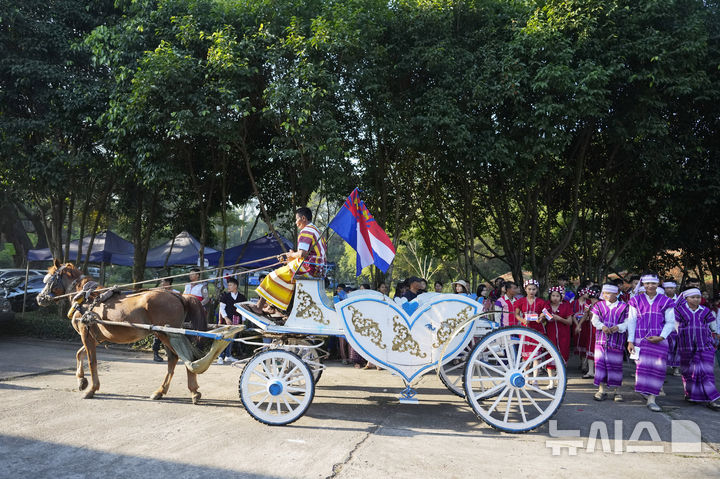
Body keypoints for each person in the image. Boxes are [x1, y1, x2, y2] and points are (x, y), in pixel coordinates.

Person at [251, 207, 327, 316]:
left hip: (309, 268)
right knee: (283, 276)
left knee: (272, 277)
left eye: (297, 219)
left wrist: (291, 255)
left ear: (303, 218)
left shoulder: (306, 231)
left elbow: (302, 254)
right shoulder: (317, 231)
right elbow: (307, 254)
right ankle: (273, 307)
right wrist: (291, 258)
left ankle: (259, 307)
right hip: (318, 268)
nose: (296, 223)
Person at [627, 274, 677, 412]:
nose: (650, 286)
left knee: (658, 369)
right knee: (641, 369)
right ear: (643, 285)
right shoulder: (635, 300)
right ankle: (645, 392)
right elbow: (631, 321)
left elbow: (670, 322)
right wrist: (630, 340)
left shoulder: (666, 301)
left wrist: (661, 337)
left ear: (657, 285)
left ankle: (652, 399)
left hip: (659, 341)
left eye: (653, 284)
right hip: (640, 340)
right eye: (647, 283)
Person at [675, 288, 720, 410]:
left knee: (706, 372)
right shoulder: (679, 311)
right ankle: (691, 395)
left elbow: (713, 327)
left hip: (705, 347)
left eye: (698, 297)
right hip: (686, 347)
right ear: (686, 298)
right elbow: (676, 328)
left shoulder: (705, 311)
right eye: (693, 297)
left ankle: (711, 399)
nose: (696, 299)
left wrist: (714, 337)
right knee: (688, 372)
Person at [590, 284, 629, 402]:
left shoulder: (624, 307)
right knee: (600, 366)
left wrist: (618, 327)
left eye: (609, 293)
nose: (606, 295)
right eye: (605, 292)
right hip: (601, 341)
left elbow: (628, 322)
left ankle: (617, 392)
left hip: (617, 342)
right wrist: (602, 326)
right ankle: (601, 391)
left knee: (616, 366)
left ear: (616, 294)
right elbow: (594, 320)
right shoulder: (599, 305)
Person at [514, 279, 547, 385]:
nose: (531, 291)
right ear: (525, 289)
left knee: (536, 355)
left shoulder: (541, 302)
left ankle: (535, 379)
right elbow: (517, 314)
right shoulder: (520, 301)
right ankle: (527, 377)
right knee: (525, 355)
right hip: (525, 330)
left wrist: (541, 318)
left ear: (537, 289)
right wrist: (523, 320)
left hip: (538, 329)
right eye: (529, 289)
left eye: (533, 289)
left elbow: (545, 313)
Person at [544, 285, 573, 388]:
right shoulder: (546, 306)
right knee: (549, 356)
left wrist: (559, 318)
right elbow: (542, 319)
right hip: (550, 334)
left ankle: (560, 379)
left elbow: (569, 322)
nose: (555, 298)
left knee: (563, 356)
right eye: (553, 295)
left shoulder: (566, 305)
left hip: (563, 335)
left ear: (561, 296)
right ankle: (551, 381)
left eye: (557, 296)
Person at [216, 277, 247, 364]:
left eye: (230, 285)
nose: (228, 287)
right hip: (226, 321)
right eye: (228, 285)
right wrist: (226, 318)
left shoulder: (242, 297)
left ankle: (228, 356)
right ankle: (220, 356)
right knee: (223, 338)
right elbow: (221, 309)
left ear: (236, 286)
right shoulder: (225, 296)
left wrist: (243, 321)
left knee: (232, 338)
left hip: (237, 321)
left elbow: (244, 310)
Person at [151, 278, 175, 362]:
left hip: (172, 318)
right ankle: (155, 354)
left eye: (163, 282)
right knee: (158, 335)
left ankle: (169, 353)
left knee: (171, 336)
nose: (162, 284)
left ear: (169, 283)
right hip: (159, 317)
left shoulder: (175, 293)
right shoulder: (158, 292)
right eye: (161, 282)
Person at [663, 280, 681, 376]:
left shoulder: (680, 300)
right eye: (667, 288)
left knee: (677, 348)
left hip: (677, 328)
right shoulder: (661, 299)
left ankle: (676, 369)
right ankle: (663, 368)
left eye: (672, 288)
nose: (670, 290)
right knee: (665, 348)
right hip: (664, 328)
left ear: (675, 288)